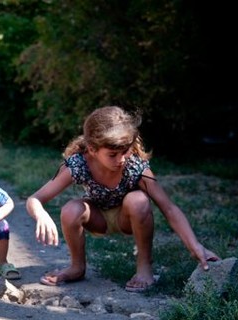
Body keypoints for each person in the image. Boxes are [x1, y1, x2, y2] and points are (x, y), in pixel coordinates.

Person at [25, 106, 219, 292]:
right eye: (113, 155)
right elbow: (35, 199)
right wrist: (40, 213)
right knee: (70, 209)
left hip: (128, 218)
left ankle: (144, 268)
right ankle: (77, 267)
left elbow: (168, 208)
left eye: (125, 151)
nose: (122, 159)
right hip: (97, 218)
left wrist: (195, 245)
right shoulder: (79, 163)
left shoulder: (135, 166)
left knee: (138, 200)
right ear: (92, 149)